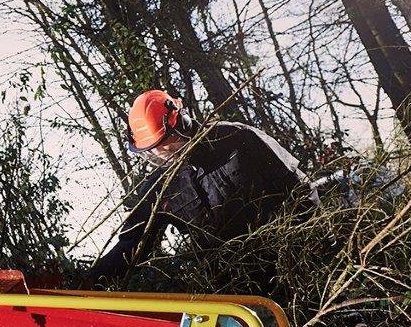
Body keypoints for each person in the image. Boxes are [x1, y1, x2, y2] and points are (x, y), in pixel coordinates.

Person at [87, 90, 309, 287]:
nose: (160, 152)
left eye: (165, 143)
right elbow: (132, 245)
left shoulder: (237, 139)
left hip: (291, 256)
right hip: (235, 287)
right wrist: (85, 284)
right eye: (153, 149)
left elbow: (299, 188)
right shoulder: (160, 186)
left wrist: (311, 242)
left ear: (180, 122)